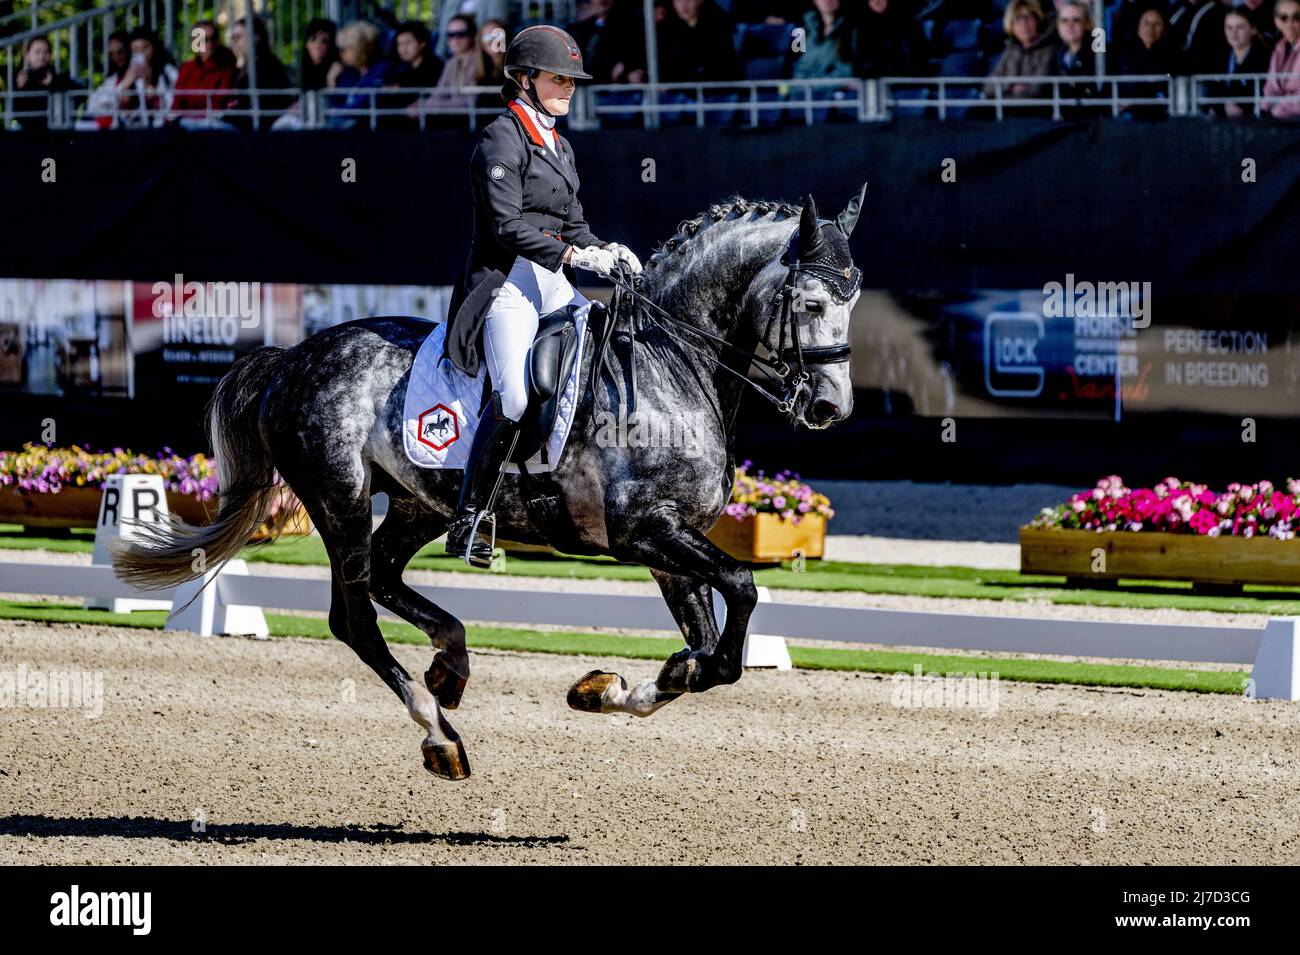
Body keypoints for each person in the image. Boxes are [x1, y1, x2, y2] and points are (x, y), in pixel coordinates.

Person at [441, 25, 642, 567]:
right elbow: (506, 226)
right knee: (512, 399)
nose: (569, 87)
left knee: (606, 357)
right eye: (559, 78)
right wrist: (574, 256)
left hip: (553, 282)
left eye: (572, 80)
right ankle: (470, 517)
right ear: (525, 79)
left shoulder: (560, 144)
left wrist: (605, 249)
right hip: (508, 283)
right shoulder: (500, 138)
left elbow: (573, 223)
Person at [85, 28, 178, 128]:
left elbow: (173, 107)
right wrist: (126, 83)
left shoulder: (168, 72)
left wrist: (148, 87)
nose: (141, 53)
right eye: (135, 49)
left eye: (145, 47)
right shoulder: (124, 76)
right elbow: (94, 107)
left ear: (154, 48)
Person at [225, 15, 293, 129]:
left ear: (256, 37)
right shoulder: (244, 66)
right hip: (241, 124)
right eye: (233, 38)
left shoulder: (269, 66)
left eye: (238, 37)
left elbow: (265, 104)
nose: (235, 42)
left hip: (254, 127)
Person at [984, 0, 1059, 103]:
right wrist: (1010, 86)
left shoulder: (1049, 50)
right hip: (1006, 109)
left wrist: (1003, 93)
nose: (1024, 23)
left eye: (1028, 17)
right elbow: (988, 88)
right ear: (1011, 25)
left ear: (1037, 20)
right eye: (1018, 18)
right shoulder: (1010, 50)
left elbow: (1037, 90)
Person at [657, 0, 742, 82]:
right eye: (678, 1)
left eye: (689, 0)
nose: (683, 6)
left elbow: (721, 66)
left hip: (715, 84)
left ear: (700, 1)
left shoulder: (716, 23)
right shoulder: (667, 27)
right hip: (680, 86)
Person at [1208, 7, 1271, 115]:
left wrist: (1240, 108)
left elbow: (1263, 93)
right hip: (1221, 119)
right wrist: (1222, 108)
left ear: (1253, 29)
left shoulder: (1265, 57)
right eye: (1229, 27)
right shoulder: (1219, 56)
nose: (1233, 33)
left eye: (1240, 27)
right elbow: (1213, 91)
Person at [172, 20, 237, 122]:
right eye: (204, 39)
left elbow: (219, 103)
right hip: (185, 122)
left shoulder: (226, 67)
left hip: (212, 123)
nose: (209, 43)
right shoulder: (187, 68)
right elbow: (177, 102)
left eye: (214, 38)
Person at [13, 35, 78, 130]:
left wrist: (53, 83)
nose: (41, 56)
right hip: (28, 132)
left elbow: (78, 93)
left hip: (56, 132)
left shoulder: (58, 77)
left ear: (50, 55)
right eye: (37, 52)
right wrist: (19, 88)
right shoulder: (22, 79)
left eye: (46, 52)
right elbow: (15, 114)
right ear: (28, 55)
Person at [854, 0, 928, 78]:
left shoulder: (908, 23)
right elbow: (861, 59)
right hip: (874, 78)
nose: (877, 1)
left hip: (906, 77)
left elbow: (919, 54)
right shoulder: (861, 27)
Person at [793, 0, 857, 80]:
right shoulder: (803, 29)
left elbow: (847, 70)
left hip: (836, 85)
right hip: (803, 85)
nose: (827, 0)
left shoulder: (852, 30)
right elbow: (796, 66)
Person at [1262, 0, 1300, 117]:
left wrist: (1276, 109)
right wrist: (1263, 108)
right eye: (1284, 18)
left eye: (1297, 17)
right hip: (1279, 118)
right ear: (1276, 22)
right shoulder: (1278, 49)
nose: (1290, 24)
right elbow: (1270, 87)